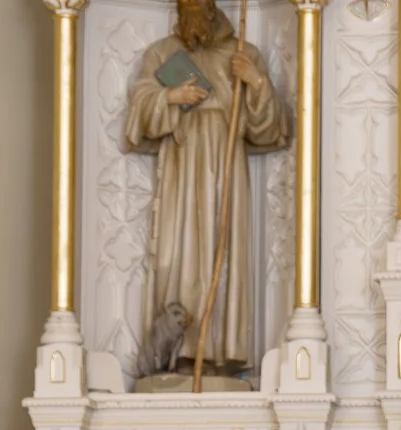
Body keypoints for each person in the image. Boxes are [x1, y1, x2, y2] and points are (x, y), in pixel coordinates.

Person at [122, 0, 290, 386]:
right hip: (181, 173)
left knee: (223, 254)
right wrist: (170, 98)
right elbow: (138, 114)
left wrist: (255, 82)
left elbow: (271, 128)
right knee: (176, 255)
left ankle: (220, 357)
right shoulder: (162, 53)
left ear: (213, 9)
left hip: (226, 173)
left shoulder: (243, 54)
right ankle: (178, 355)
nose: (192, 11)